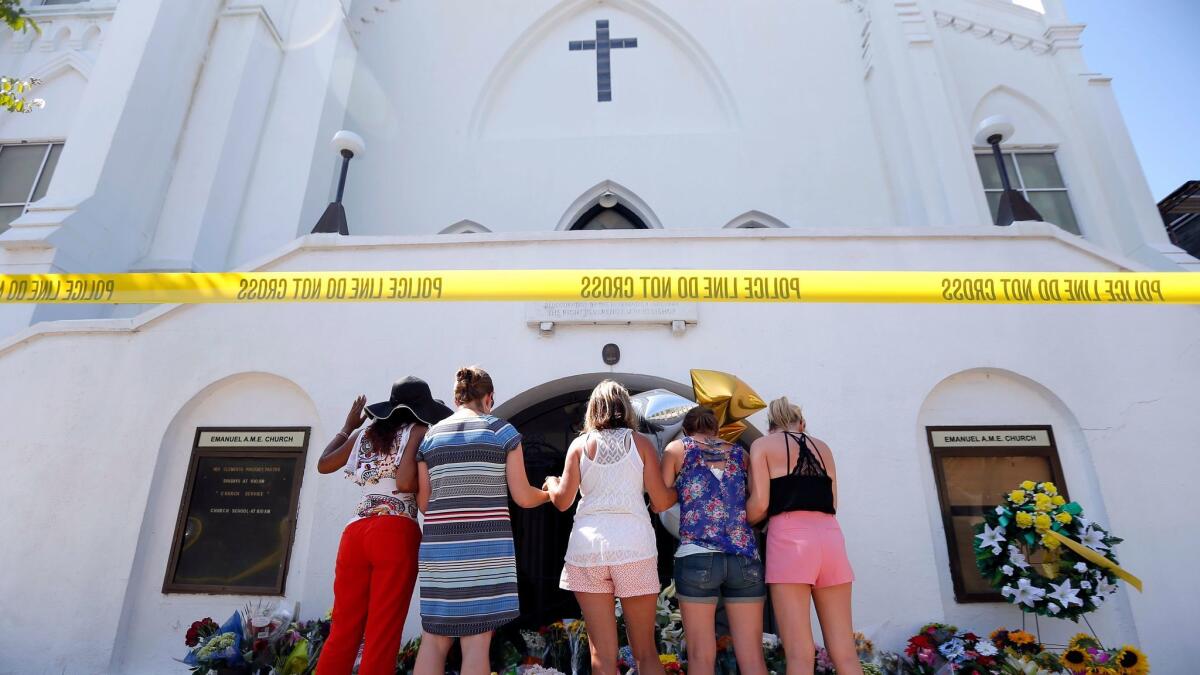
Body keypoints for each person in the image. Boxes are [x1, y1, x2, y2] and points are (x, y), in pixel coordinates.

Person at [413, 366, 550, 675]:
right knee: (476, 643)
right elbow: (523, 497)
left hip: (439, 552)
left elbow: (425, 503)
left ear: (456, 398)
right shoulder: (501, 432)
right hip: (484, 551)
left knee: (434, 640)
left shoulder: (432, 436)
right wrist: (549, 493)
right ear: (489, 398)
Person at [315, 376, 453, 675]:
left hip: (355, 531)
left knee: (344, 627)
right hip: (395, 530)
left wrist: (347, 427)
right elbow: (404, 482)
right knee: (383, 628)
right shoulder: (418, 431)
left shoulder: (365, 434)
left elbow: (324, 464)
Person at [544, 380, 676, 675]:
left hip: (588, 550)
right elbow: (662, 501)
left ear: (593, 409)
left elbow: (563, 501)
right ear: (626, 408)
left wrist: (552, 483)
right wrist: (677, 488)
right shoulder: (640, 443)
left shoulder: (579, 445)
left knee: (601, 655)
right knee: (645, 652)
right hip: (633, 548)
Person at [747, 397, 862, 675]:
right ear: (803, 423)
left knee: (799, 652)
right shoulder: (824, 447)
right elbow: (833, 503)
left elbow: (760, 505)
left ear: (770, 426)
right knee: (845, 652)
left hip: (790, 540)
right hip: (831, 538)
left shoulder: (762, 445)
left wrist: (743, 518)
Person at [660, 406, 767, 675]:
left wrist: (682, 489)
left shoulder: (677, 450)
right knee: (752, 656)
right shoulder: (740, 454)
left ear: (686, 429)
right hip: (744, 556)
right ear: (717, 430)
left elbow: (661, 500)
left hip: (697, 554)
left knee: (700, 654)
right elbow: (755, 503)